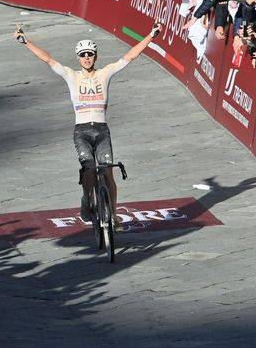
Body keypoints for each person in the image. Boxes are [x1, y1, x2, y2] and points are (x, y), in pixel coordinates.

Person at [13, 23, 163, 223]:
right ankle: (86, 199)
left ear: (96, 56)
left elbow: (130, 56)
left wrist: (150, 35)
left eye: (90, 54)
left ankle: (112, 214)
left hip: (102, 130)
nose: (86, 58)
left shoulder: (105, 73)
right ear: (78, 58)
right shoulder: (71, 75)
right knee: (90, 170)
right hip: (81, 132)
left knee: (109, 171)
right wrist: (26, 42)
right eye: (83, 55)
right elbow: (48, 59)